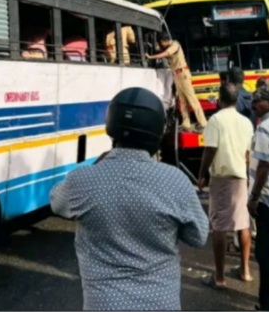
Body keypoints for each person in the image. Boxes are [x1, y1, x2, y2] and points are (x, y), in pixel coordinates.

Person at [50, 87, 209, 310]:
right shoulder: (175, 181)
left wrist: (97, 165)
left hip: (103, 305)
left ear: (111, 126)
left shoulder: (83, 180)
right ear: (157, 132)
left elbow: (57, 202)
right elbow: (198, 236)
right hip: (160, 304)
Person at [197, 83, 255, 288]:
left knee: (219, 226)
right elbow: (248, 154)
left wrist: (201, 174)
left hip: (222, 179)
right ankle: (245, 271)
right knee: (243, 223)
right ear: (236, 99)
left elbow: (210, 150)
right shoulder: (246, 122)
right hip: (241, 177)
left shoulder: (216, 120)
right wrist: (248, 176)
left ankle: (219, 278)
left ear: (220, 99)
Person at [146, 33, 208, 132]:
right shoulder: (168, 46)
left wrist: (150, 57)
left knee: (192, 99)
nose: (161, 45)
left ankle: (203, 123)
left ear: (165, 41)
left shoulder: (175, 45)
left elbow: (165, 54)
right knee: (183, 101)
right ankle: (186, 124)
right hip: (177, 75)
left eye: (161, 43)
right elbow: (158, 49)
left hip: (183, 74)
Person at [248, 87, 269, 310]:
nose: (253, 105)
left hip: (267, 202)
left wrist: (254, 197)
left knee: (265, 255)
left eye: (259, 101)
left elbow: (264, 165)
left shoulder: (264, 128)